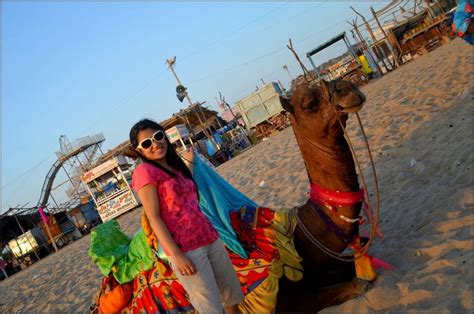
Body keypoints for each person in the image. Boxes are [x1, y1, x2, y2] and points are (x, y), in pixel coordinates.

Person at [129, 118, 243, 314]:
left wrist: (189, 161)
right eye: (147, 143)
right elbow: (154, 217)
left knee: (232, 297)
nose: (155, 144)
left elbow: (181, 187)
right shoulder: (144, 171)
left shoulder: (175, 167)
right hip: (187, 250)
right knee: (211, 308)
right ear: (139, 150)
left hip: (210, 237)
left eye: (158, 136)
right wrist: (177, 255)